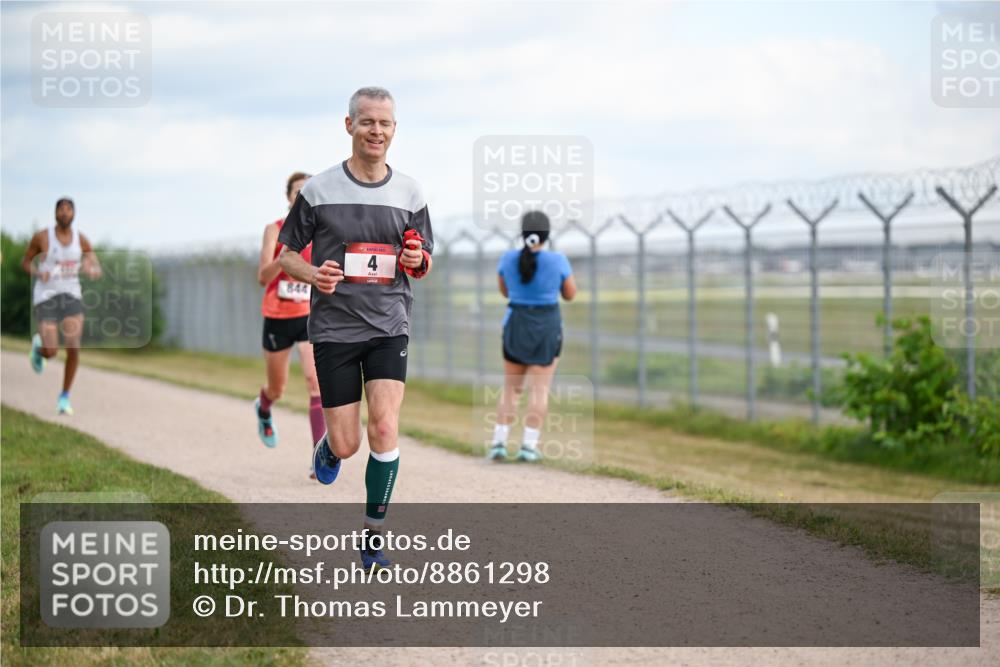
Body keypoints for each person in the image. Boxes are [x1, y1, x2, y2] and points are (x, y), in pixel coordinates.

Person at [278, 86, 433, 570]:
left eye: (385, 123)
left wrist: (416, 258)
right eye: (367, 122)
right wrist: (313, 273)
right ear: (349, 126)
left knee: (384, 425)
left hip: (389, 325)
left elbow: (423, 260)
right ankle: (329, 447)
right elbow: (286, 257)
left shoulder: (410, 192)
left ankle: (372, 535)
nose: (376, 131)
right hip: (334, 330)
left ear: (394, 129)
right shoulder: (319, 190)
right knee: (347, 444)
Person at [488, 211, 576, 462]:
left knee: (511, 389)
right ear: (547, 234)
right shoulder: (558, 260)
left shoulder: (507, 258)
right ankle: (528, 446)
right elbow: (570, 294)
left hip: (515, 324)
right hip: (547, 328)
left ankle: (499, 443)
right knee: (540, 390)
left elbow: (505, 291)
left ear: (523, 232)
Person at [255, 172, 325, 472]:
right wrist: (285, 257)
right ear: (288, 197)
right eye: (298, 191)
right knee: (277, 388)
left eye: (308, 191)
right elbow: (263, 277)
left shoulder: (320, 231)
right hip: (277, 317)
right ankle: (264, 407)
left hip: (308, 315)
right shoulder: (275, 229)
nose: (303, 196)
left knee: (315, 382)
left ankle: (318, 457)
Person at [22, 197, 102, 415]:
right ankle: (39, 349)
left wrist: (91, 268)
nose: (65, 212)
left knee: (73, 346)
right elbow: (26, 262)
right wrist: (38, 272)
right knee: (51, 352)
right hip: (46, 295)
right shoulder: (42, 237)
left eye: (69, 209)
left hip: (71, 295)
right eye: (61, 209)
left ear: (74, 214)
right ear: (55, 213)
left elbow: (94, 264)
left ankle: (64, 397)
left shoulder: (81, 239)